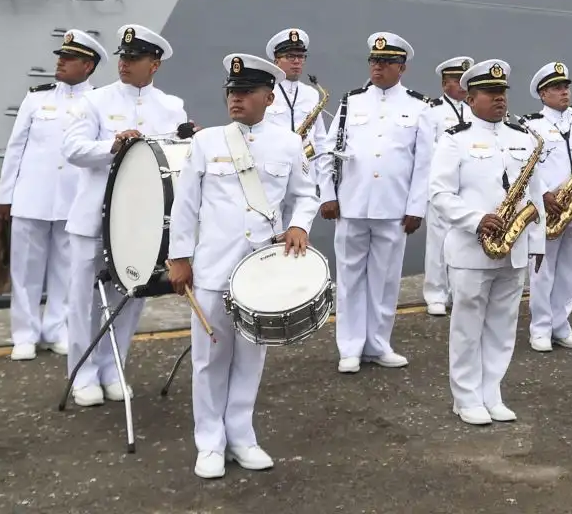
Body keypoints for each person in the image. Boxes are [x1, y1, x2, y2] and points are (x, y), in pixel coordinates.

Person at [167, 53, 318, 479]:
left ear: (269, 97)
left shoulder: (288, 142)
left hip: (263, 269)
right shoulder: (207, 141)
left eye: (246, 92)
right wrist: (179, 257)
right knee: (210, 359)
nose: (236, 99)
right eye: (232, 91)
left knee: (251, 357)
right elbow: (186, 205)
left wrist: (299, 225)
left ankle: (242, 436)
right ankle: (209, 443)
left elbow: (307, 193)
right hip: (214, 267)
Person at [61, 24, 191, 406]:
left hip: (141, 219)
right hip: (93, 216)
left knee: (132, 294)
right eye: (122, 57)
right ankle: (82, 372)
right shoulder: (95, 101)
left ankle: (112, 367)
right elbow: (72, 148)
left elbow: (176, 152)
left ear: (154, 64)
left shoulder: (170, 106)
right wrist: (112, 145)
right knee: (84, 299)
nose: (124, 63)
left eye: (134, 59)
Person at [428, 59, 546, 426]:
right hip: (471, 249)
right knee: (467, 325)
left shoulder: (523, 137)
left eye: (502, 93)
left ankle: (491, 391)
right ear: (471, 97)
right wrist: (477, 219)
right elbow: (439, 193)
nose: (499, 100)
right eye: (491, 94)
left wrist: (537, 244)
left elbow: (536, 196)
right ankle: (465, 397)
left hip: (515, 248)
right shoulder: (454, 139)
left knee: (503, 323)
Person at [319, 32, 433, 373]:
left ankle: (379, 344)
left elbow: (425, 162)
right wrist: (327, 195)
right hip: (351, 205)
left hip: (394, 207)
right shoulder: (350, 101)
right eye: (374, 61)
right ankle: (350, 348)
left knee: (385, 280)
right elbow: (329, 151)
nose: (378, 67)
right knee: (350, 278)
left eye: (386, 63)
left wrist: (416, 207)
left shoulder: (418, 106)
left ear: (402, 68)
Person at [0, 29, 105, 360]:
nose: (61, 61)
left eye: (69, 58)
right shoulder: (36, 97)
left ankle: (58, 328)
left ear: (88, 66)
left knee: (66, 270)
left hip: (74, 198)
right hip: (32, 195)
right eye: (61, 56)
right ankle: (24, 334)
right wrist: (5, 195)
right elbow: (16, 148)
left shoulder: (97, 101)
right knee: (25, 270)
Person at [521, 62, 572, 351]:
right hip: (549, 209)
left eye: (566, 87)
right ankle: (540, 329)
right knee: (543, 272)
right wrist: (543, 195)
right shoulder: (532, 126)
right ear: (542, 94)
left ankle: (561, 325)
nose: (564, 92)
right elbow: (526, 168)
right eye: (556, 88)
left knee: (570, 270)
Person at [422, 54, 476, 316]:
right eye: (456, 80)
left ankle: (458, 290)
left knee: (464, 240)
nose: (462, 85)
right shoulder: (432, 111)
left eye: (465, 80)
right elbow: (426, 147)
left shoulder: (475, 109)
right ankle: (435, 293)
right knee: (438, 241)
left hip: (468, 186)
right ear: (445, 84)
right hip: (442, 184)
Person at [265, 28, 325, 142]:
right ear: (276, 61)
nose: (297, 61)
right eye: (290, 56)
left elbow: (320, 138)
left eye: (301, 56)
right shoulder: (265, 91)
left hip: (307, 158)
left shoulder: (312, 94)